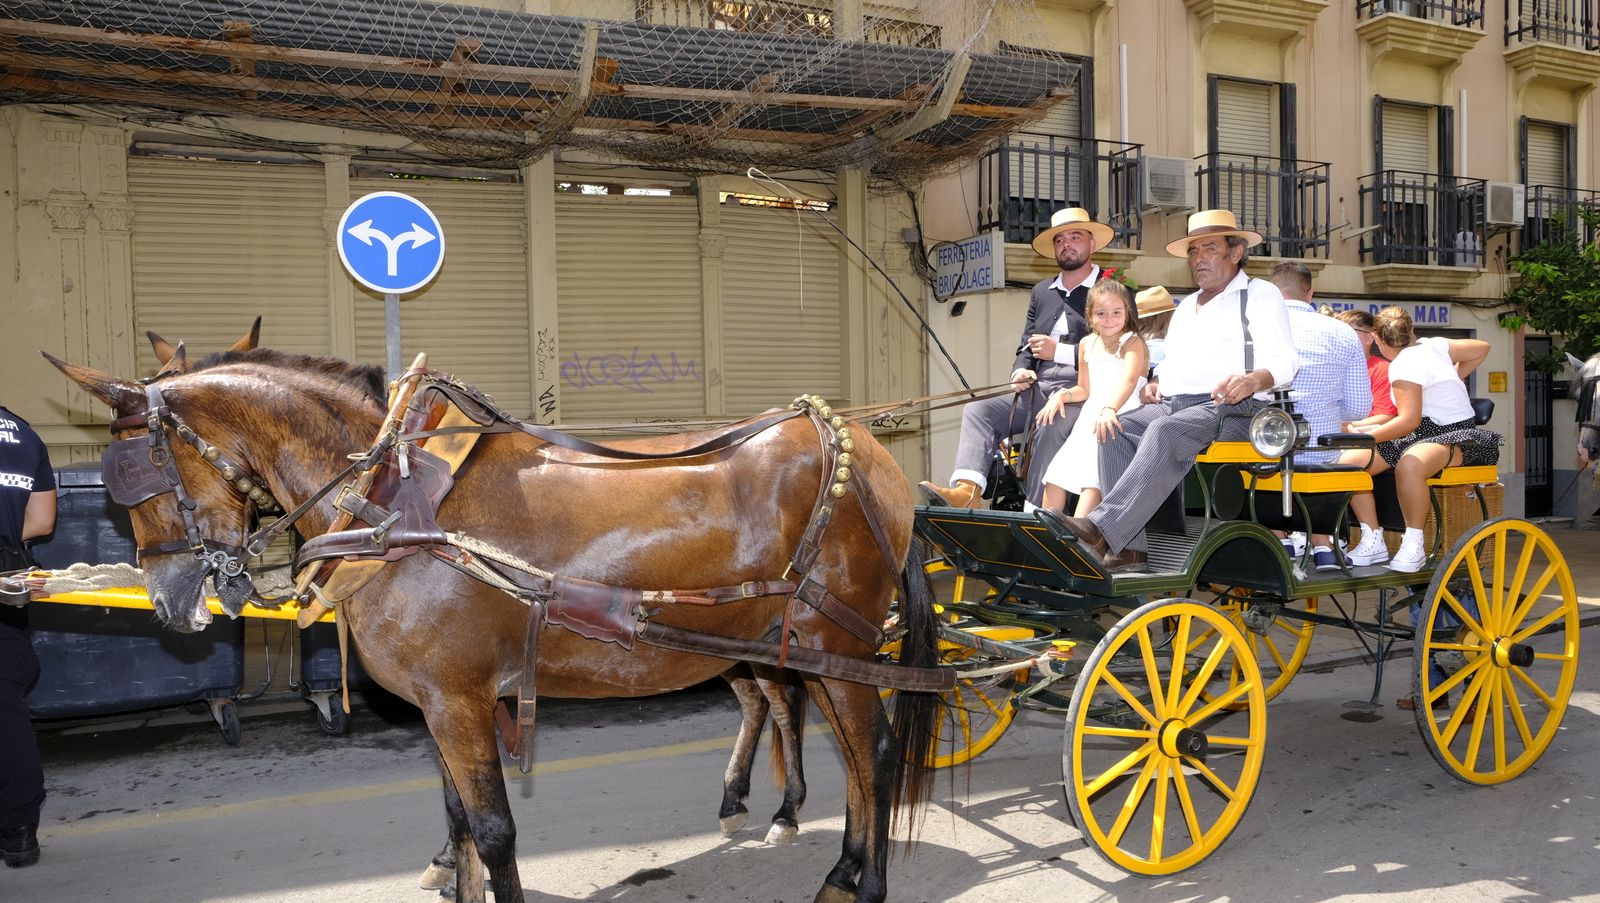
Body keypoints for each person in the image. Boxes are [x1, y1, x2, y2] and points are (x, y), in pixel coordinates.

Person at [1052, 210, 1299, 572]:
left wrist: (1252, 379)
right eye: (1193, 251)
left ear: (1235, 253)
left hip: (1238, 408)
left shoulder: (1260, 295)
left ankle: (1102, 527)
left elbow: (1286, 361)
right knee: (1112, 427)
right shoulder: (1186, 309)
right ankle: (1131, 549)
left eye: (1209, 248)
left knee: (1164, 430)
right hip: (1179, 406)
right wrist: (1156, 385)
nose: (1198, 258)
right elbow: (1173, 366)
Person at [922, 208, 1114, 508]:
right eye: (1060, 239)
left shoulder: (1112, 288)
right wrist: (1021, 372)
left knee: (1049, 425)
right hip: (1040, 388)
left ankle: (1036, 512)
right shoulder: (1042, 291)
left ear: (1092, 244)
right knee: (978, 410)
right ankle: (968, 492)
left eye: (1075, 237)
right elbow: (1026, 345)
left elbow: (1120, 349)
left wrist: (1059, 352)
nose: (1067, 244)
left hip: (1085, 393)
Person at [1336, 307, 1499, 572]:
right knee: (1349, 463)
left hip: (1454, 434)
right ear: (1411, 331)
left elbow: (1407, 421)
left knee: (1409, 465)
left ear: (1376, 338)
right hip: (1418, 434)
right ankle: (1372, 537)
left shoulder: (1404, 364)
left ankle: (1414, 542)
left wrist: (1366, 437)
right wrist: (1453, 376)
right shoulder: (1435, 345)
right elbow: (1482, 347)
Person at [1266, 262, 1371, 570]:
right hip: (1320, 457)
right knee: (1328, 450)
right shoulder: (1343, 333)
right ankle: (1323, 544)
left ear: (1272, 293)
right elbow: (1359, 408)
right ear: (1309, 293)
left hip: (1266, 457)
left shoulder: (1258, 328)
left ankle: (1278, 536)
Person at [1036, 279, 1149, 517]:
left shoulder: (1132, 342)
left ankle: (1081, 533)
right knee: (1056, 474)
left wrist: (1110, 409)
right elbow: (1084, 389)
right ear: (1090, 315)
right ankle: (1048, 535)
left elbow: (1129, 381)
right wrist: (1062, 395)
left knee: (1093, 476)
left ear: (1126, 312)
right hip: (1091, 414)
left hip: (1121, 413)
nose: (1109, 319)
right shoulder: (1087, 344)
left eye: (1116, 312)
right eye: (1101, 313)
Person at [0, 403, 55, 869]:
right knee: (5, 709)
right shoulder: (22, 432)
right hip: (7, 582)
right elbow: (40, 521)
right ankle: (19, 832)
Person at [1336, 309, 1398, 428]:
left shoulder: (1383, 369)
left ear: (1370, 338)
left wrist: (1343, 426)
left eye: (1349, 331)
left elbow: (1384, 416)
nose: (1341, 337)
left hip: (1366, 438)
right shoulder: (1331, 366)